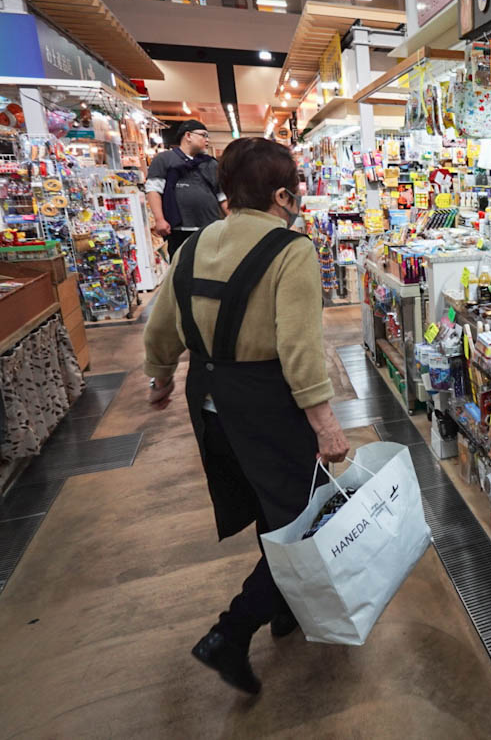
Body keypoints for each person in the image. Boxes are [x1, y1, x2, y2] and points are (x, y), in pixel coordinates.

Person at [143, 137, 348, 695]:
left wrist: (160, 374)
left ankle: (287, 611)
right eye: (297, 187)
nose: (300, 196)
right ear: (282, 193)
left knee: (271, 508)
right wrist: (325, 423)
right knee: (304, 524)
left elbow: (163, 322)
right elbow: (300, 348)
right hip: (264, 401)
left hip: (208, 398)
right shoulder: (291, 249)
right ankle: (230, 634)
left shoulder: (196, 244)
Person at [146, 119, 226, 260]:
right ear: (188, 135)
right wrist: (159, 219)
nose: (206, 140)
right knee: (181, 269)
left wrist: (232, 220)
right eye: (203, 135)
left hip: (210, 227)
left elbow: (222, 195)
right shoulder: (165, 159)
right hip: (179, 229)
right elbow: (153, 190)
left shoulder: (211, 163)